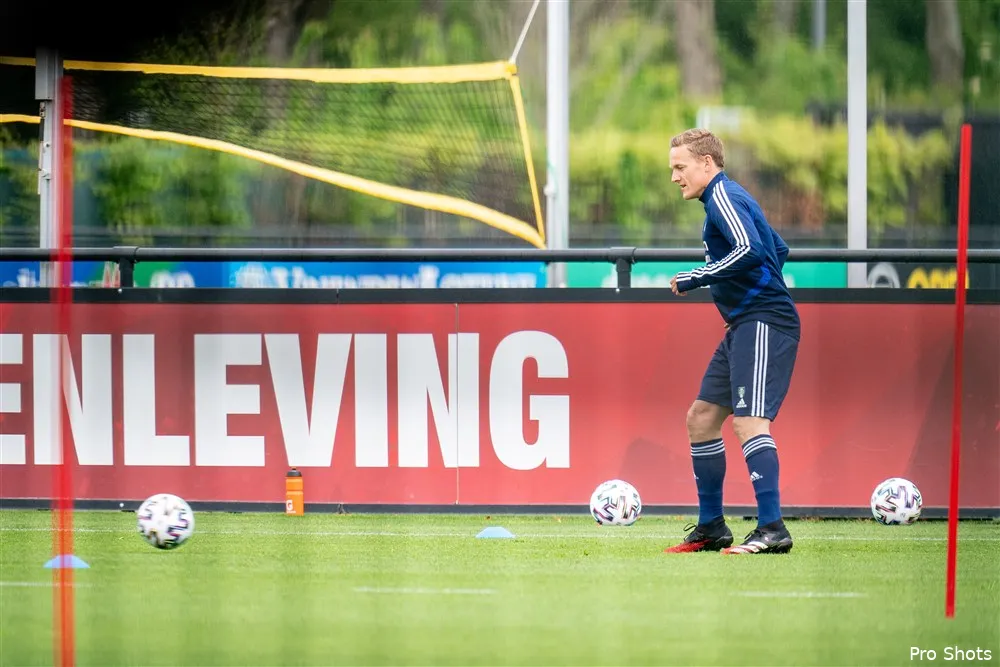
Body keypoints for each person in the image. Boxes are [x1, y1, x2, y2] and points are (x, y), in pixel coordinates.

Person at [662, 128, 800, 555]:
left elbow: (750, 250)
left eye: (680, 167)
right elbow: (778, 247)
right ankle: (711, 527)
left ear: (708, 163)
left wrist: (695, 278)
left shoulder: (722, 197)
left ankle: (773, 528)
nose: (675, 177)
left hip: (763, 320)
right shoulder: (723, 200)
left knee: (749, 422)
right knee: (701, 418)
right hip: (745, 322)